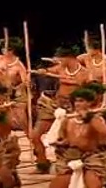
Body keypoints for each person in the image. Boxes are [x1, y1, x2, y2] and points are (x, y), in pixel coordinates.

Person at [45, 87, 106, 188]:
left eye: (81, 101)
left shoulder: (96, 118)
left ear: (90, 103)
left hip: (92, 156)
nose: (77, 104)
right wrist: (60, 143)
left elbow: (104, 132)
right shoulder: (68, 119)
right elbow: (65, 138)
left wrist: (90, 118)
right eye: (76, 101)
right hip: (71, 155)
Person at [32, 44, 92, 173]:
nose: (58, 60)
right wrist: (43, 71)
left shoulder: (85, 74)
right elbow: (48, 71)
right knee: (35, 135)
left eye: (61, 58)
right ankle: (42, 163)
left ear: (69, 58)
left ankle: (73, 164)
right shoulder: (60, 68)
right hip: (55, 105)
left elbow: (91, 93)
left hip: (73, 108)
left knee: (70, 139)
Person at [0, 36, 30, 138]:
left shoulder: (19, 65)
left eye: (5, 49)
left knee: (21, 117)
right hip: (3, 91)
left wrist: (18, 89)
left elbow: (25, 81)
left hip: (17, 92)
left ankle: (29, 135)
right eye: (2, 48)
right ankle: (2, 136)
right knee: (2, 115)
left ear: (11, 51)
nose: (2, 50)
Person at [78, 36, 106, 104]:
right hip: (88, 89)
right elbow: (73, 62)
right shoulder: (86, 57)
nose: (87, 51)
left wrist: (104, 88)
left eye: (88, 49)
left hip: (101, 91)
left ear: (96, 50)